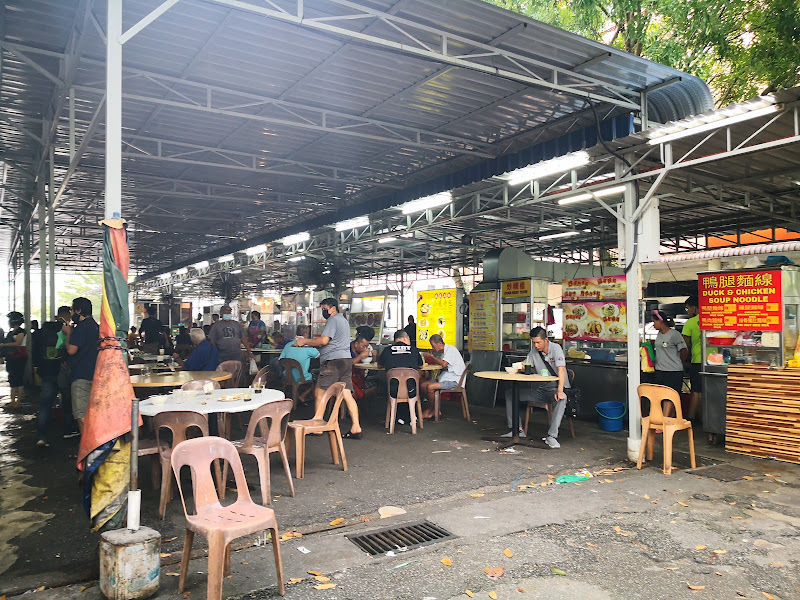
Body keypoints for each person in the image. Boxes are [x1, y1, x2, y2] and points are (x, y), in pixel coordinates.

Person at [295, 298, 362, 438]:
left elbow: (324, 340)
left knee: (319, 392)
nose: (323, 311)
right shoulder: (343, 320)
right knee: (346, 393)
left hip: (333, 362)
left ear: (333, 308)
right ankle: (356, 427)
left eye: (325, 308)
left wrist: (305, 341)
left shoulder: (333, 320)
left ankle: (318, 426)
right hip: (345, 360)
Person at [502, 327, 569, 447]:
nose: (536, 345)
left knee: (562, 399)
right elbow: (526, 364)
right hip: (541, 389)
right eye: (533, 342)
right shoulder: (534, 352)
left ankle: (552, 436)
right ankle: (517, 430)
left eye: (538, 342)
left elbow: (561, 370)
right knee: (510, 394)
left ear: (546, 340)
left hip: (555, 388)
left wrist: (560, 391)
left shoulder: (556, 349)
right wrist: (518, 367)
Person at [65, 297, 99, 432]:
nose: (71, 313)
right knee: (94, 414)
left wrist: (68, 334)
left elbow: (71, 350)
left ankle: (87, 444)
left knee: (81, 415)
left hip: (81, 376)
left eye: (72, 310)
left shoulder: (81, 327)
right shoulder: (96, 326)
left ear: (79, 310)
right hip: (96, 374)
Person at [34, 316, 68, 446]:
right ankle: (66, 431)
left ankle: (42, 436)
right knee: (67, 403)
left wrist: (38, 370)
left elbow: (35, 356)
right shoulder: (63, 333)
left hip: (47, 373)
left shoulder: (40, 335)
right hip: (62, 373)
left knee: (45, 405)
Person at [420, 333, 466, 419]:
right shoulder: (443, 352)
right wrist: (432, 357)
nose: (433, 348)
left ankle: (431, 410)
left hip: (455, 380)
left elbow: (444, 364)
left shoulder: (451, 350)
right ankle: (435, 409)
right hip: (446, 378)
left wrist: (432, 357)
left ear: (440, 343)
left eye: (433, 346)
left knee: (430, 387)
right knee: (423, 385)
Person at [652, 309, 688, 416]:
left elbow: (684, 351)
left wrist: (678, 363)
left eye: (654, 322)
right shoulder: (659, 334)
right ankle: (669, 419)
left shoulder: (674, 334)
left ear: (660, 321)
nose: (653, 324)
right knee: (662, 397)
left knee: (670, 398)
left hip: (673, 372)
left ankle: (664, 420)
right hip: (660, 370)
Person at [54, 305, 78, 437]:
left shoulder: (50, 327)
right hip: (65, 366)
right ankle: (69, 428)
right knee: (68, 398)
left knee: (60, 397)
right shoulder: (64, 328)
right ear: (67, 315)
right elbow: (70, 349)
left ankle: (56, 425)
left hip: (52, 366)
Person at [378, 329, 423, 399]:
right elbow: (421, 366)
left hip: (392, 391)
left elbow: (379, 366)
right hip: (411, 391)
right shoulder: (414, 349)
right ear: (405, 338)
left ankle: (390, 404)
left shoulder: (387, 350)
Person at [0, 311, 27, 408]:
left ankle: (18, 402)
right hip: (11, 358)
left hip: (19, 358)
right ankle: (12, 401)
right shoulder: (11, 332)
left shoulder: (21, 331)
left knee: (18, 379)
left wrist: (3, 345)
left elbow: (18, 343)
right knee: (12, 379)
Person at [682, 296, 702, 420]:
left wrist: (681, 361)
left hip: (697, 361)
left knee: (696, 392)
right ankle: (704, 418)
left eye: (687, 308)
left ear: (694, 308)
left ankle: (691, 419)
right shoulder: (712, 319)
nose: (687, 311)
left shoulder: (690, 323)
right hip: (714, 361)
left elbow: (685, 346)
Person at [350, 328, 377, 403]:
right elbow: (347, 363)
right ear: (356, 344)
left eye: (366, 346)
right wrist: (360, 356)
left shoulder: (366, 348)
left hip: (360, 377)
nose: (365, 349)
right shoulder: (347, 349)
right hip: (348, 378)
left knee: (378, 386)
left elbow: (371, 362)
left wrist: (374, 356)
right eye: (363, 346)